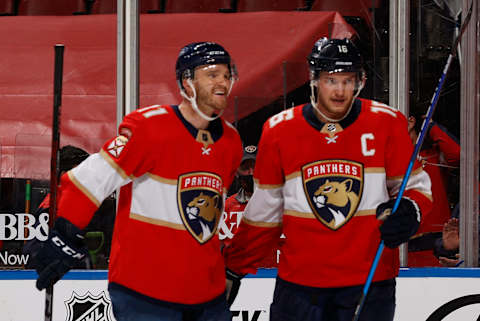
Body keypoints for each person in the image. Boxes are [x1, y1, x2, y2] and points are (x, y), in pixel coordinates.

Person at [24, 41, 243, 321]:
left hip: (206, 295)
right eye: (212, 74)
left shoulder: (231, 142)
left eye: (226, 74)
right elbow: (91, 179)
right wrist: (66, 232)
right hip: (146, 293)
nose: (223, 81)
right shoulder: (149, 128)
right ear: (187, 82)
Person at [223, 38, 433, 321]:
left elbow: (416, 188)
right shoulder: (279, 130)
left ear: (361, 80)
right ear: (314, 80)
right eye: (331, 80)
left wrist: (410, 210)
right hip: (300, 286)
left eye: (348, 81)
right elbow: (264, 213)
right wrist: (234, 266)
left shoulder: (387, 123)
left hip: (369, 282)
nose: (340, 91)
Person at [406, 114, 460, 266]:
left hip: (435, 247)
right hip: (400, 247)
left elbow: (457, 155)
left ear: (411, 121)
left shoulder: (433, 155)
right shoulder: (388, 159)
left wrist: (431, 126)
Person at [221, 145, 283, 268]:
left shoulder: (285, 204)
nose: (251, 172)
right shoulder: (226, 207)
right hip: (241, 279)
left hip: (278, 278)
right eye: (245, 167)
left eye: (255, 166)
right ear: (237, 171)